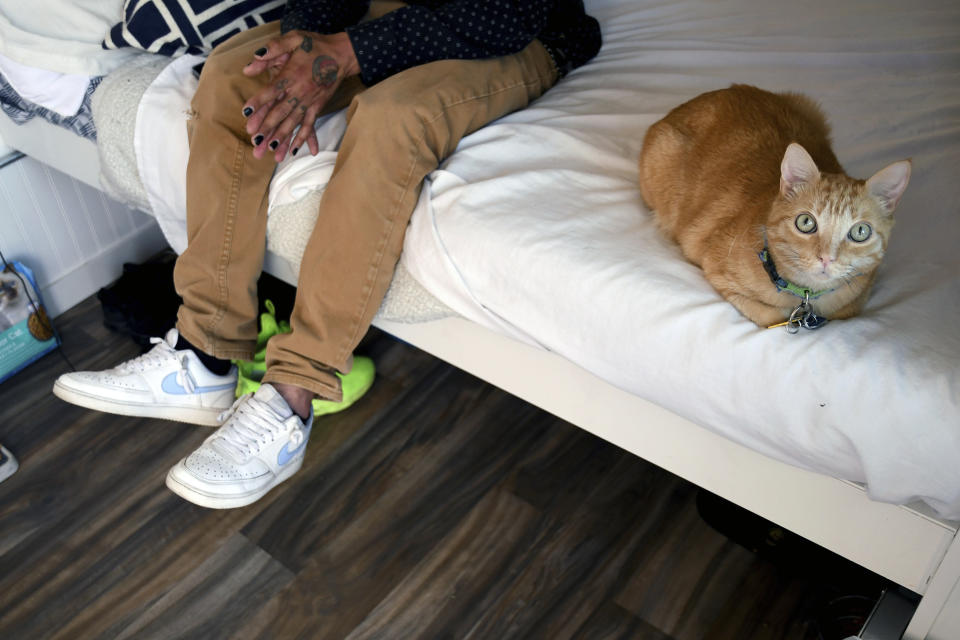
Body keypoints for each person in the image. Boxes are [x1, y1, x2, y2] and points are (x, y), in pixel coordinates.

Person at [53, 0, 601, 509]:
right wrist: (304, 45)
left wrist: (351, 52)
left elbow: (510, 12)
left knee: (393, 116)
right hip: (392, 11)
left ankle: (293, 392)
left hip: (511, 28)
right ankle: (204, 351)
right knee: (231, 73)